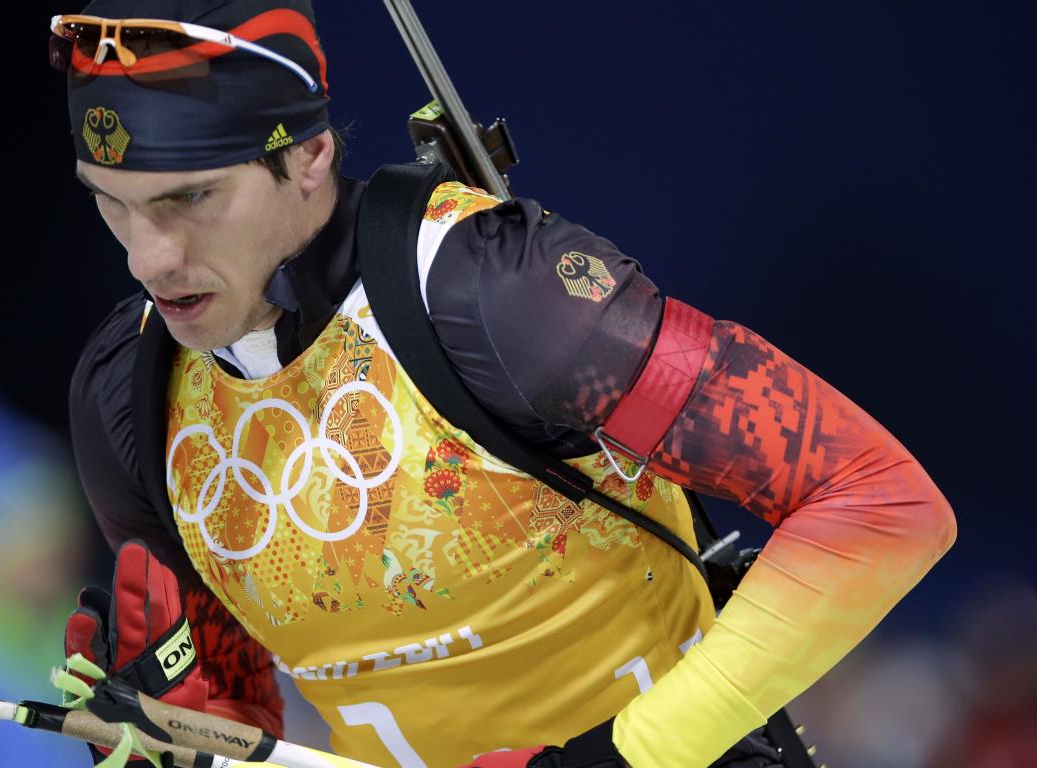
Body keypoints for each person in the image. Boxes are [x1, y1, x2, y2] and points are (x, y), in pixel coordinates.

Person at [54, 1, 957, 766]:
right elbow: (232, 714)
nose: (149, 259)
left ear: (310, 155)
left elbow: (880, 502)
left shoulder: (494, 291)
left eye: (191, 198)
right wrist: (161, 730)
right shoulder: (128, 390)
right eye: (109, 202)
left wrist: (629, 754)